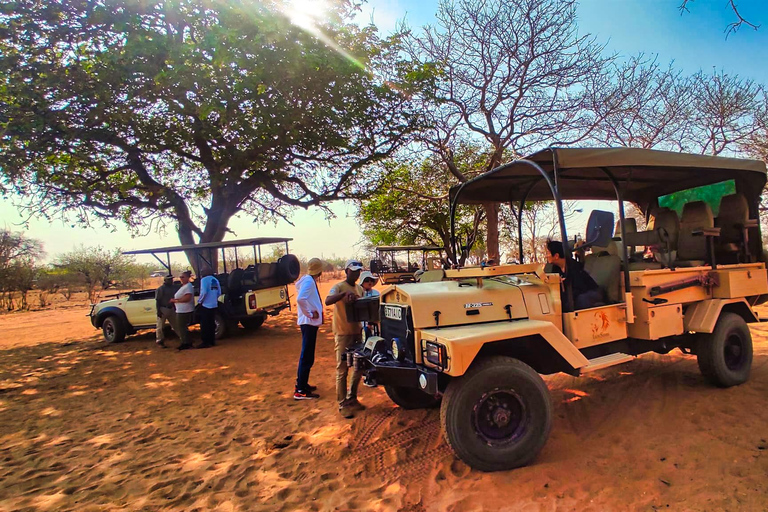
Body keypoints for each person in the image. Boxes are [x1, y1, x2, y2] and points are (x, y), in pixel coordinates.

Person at [325, 259, 365, 419]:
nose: (356, 274)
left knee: (359, 366)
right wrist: (343, 295)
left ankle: (352, 398)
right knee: (342, 369)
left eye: (358, 271)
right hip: (342, 333)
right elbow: (328, 300)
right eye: (353, 271)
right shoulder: (339, 287)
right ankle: (342, 404)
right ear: (346, 271)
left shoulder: (360, 288)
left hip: (357, 332)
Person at [294, 258, 324, 400]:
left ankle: (302, 384)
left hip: (309, 323)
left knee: (308, 355)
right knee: (306, 356)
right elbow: (300, 299)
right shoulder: (309, 282)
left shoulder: (308, 280)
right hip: (308, 322)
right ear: (320, 271)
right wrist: (310, 314)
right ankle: (300, 390)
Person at [545, 240, 602, 311]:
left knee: (575, 301)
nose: (546, 256)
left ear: (556, 256)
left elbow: (579, 288)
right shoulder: (555, 268)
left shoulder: (574, 267)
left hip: (589, 292)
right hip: (576, 293)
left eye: (548, 253)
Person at [170, 270, 195, 350]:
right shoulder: (184, 286)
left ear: (188, 278)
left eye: (183, 277)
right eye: (180, 277)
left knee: (181, 326)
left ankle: (186, 343)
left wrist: (176, 301)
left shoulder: (188, 286)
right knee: (182, 327)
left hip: (184, 310)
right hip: (180, 309)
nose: (181, 278)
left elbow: (187, 298)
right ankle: (186, 341)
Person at [197, 267, 221, 349]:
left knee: (204, 324)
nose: (201, 273)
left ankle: (205, 342)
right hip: (214, 304)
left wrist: (200, 301)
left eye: (202, 271)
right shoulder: (215, 280)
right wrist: (214, 299)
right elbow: (219, 292)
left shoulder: (204, 280)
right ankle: (212, 341)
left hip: (206, 305)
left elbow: (203, 292)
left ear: (206, 272)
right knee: (211, 323)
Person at [155, 275, 177, 348]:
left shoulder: (173, 288)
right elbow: (158, 301)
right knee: (160, 326)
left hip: (171, 308)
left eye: (171, 279)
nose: (171, 281)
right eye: (169, 280)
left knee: (176, 325)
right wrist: (158, 311)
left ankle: (184, 338)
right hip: (163, 309)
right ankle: (160, 341)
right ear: (165, 280)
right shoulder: (161, 289)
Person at [359, 271, 379, 339]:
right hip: (362, 324)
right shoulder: (359, 293)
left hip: (375, 324)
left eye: (371, 280)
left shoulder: (377, 293)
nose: (369, 282)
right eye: (367, 280)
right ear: (362, 282)